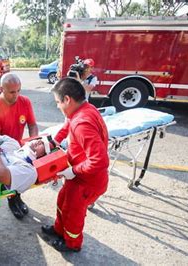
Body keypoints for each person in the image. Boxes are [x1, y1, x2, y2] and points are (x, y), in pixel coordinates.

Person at [42, 77, 109, 252]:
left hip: (86, 181)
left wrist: (73, 170)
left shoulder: (82, 123)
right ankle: (58, 230)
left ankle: (72, 243)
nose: (57, 106)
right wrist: (52, 144)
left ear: (67, 100)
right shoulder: (81, 110)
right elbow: (66, 126)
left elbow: (99, 161)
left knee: (73, 214)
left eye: (58, 102)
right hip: (77, 177)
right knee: (62, 200)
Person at [0, 73, 39, 219]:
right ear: (1, 89)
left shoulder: (25, 102)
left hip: (19, 148)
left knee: (22, 175)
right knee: (10, 178)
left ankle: (17, 197)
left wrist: (32, 141)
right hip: (4, 151)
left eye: (18, 91)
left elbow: (32, 124)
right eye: (12, 92)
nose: (16, 95)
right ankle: (11, 200)